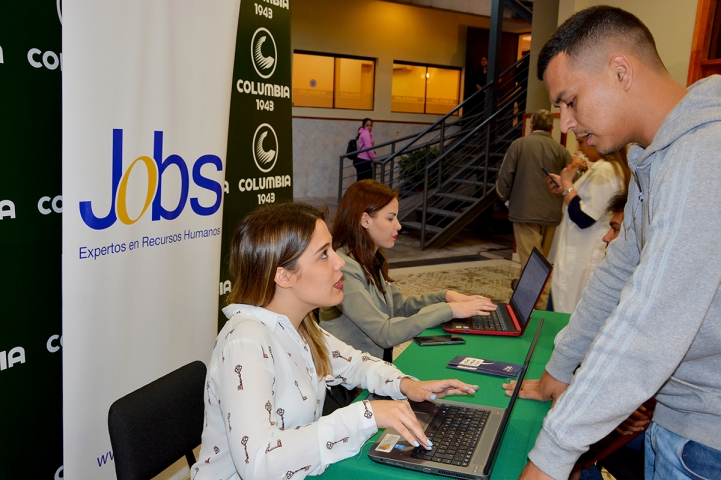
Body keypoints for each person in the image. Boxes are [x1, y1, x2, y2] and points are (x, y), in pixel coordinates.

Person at [508, 6, 721, 480]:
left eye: (570, 100)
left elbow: (650, 321)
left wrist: (552, 456)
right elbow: (617, 275)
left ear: (621, 71)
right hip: (683, 420)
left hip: (706, 436)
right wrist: (558, 371)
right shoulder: (656, 159)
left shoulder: (703, 154)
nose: (564, 124)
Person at [192, 203, 479, 480]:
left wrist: (406, 385)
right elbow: (258, 463)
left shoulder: (300, 324)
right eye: (323, 254)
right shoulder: (246, 342)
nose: (340, 261)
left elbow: (355, 364)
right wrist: (363, 415)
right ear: (284, 275)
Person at [319, 180, 496, 361]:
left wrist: (445, 296)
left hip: (373, 368)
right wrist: (449, 310)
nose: (398, 225)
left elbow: (400, 307)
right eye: (390, 218)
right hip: (352, 381)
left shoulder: (369, 259)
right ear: (365, 220)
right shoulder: (345, 269)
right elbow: (385, 333)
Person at [496, 108, 572, 308]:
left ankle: (538, 306)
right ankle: (522, 301)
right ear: (552, 127)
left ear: (531, 126)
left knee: (532, 264)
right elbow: (571, 178)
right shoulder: (561, 150)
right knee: (539, 259)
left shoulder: (519, 145)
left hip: (524, 212)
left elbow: (505, 177)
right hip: (552, 214)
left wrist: (504, 198)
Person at [545, 139, 630, 313]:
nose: (579, 148)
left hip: (582, 256)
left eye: (581, 142)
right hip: (580, 252)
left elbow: (584, 217)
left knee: (567, 311)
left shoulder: (605, 171)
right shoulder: (605, 168)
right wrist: (565, 188)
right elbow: (585, 203)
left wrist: (568, 183)